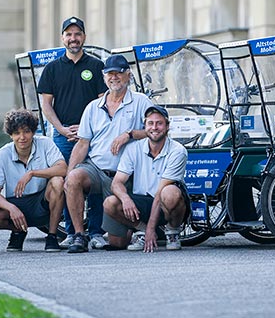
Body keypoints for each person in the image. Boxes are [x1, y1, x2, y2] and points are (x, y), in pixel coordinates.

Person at [64, 54, 153, 253]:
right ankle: (79, 235)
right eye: (109, 74)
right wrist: (68, 174)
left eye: (119, 73)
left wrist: (129, 134)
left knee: (117, 244)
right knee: (74, 178)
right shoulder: (92, 107)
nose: (114, 78)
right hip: (96, 169)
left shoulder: (141, 101)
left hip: (125, 176)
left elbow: (155, 130)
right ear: (103, 78)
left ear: (128, 76)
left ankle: (143, 230)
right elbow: (82, 144)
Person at [37, 16, 108, 249]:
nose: (73, 38)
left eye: (77, 34)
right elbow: (46, 105)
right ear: (62, 38)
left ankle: (96, 232)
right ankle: (71, 231)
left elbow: (102, 102)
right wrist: (61, 129)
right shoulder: (52, 69)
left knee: (95, 181)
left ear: (84, 37)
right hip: (63, 137)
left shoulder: (97, 66)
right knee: (68, 181)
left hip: (93, 137)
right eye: (69, 34)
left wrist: (87, 129)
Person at [103, 105, 190, 252]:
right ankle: (141, 231)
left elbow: (160, 192)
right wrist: (125, 199)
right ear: (145, 126)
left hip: (165, 203)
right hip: (142, 201)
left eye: (159, 123)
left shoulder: (178, 151)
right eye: (150, 123)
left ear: (167, 126)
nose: (154, 127)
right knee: (110, 203)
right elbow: (116, 183)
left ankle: (172, 231)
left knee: (170, 193)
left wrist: (152, 227)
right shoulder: (133, 148)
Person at [0, 109, 67, 252]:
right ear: (11, 135)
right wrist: (12, 208)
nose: (22, 137)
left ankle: (52, 236)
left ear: (33, 132)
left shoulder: (45, 143)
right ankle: (18, 231)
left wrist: (33, 173)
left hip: (41, 202)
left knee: (58, 181)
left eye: (26, 131)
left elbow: (63, 169)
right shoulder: (1, 155)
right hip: (15, 202)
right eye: (17, 133)